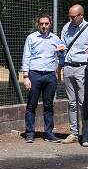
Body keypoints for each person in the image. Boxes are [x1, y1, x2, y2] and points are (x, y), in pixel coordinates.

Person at [59, 4, 88, 147]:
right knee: (71, 103)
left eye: (73, 16)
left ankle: (86, 136)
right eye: (69, 16)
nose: (71, 19)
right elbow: (63, 46)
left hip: (83, 68)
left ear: (81, 15)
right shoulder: (66, 27)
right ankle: (73, 133)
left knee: (84, 103)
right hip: (68, 68)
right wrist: (60, 60)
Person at [21, 13, 65, 143]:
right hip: (34, 75)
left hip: (50, 75)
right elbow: (26, 57)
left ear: (50, 24)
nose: (44, 26)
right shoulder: (31, 38)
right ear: (38, 24)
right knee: (31, 105)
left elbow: (61, 56)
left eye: (46, 24)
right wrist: (26, 76)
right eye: (41, 24)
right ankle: (29, 133)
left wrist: (61, 57)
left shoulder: (56, 39)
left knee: (49, 105)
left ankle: (48, 133)